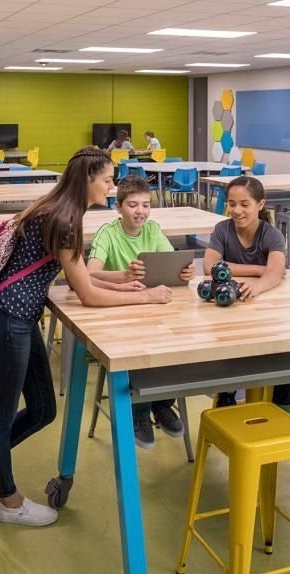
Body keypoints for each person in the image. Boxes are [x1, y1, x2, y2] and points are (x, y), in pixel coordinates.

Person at [0, 147, 173, 527]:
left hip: (18, 317)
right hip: (7, 320)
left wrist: (121, 282)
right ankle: (8, 501)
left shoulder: (56, 206)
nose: (112, 185)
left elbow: (77, 271)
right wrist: (147, 296)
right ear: (89, 179)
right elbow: (85, 293)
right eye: (107, 179)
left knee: (42, 410)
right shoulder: (66, 220)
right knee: (1, 417)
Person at [87, 174, 193, 448]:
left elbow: (169, 263)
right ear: (118, 207)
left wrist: (184, 271)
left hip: (152, 307)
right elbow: (89, 275)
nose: (141, 211)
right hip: (118, 311)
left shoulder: (153, 230)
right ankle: (141, 411)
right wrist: (122, 276)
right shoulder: (107, 233)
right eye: (133, 205)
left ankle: (161, 402)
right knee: (138, 344)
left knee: (178, 338)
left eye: (146, 205)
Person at [203, 175, 290, 410]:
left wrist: (257, 285)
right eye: (232, 204)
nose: (237, 210)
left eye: (245, 204)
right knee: (228, 343)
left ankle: (281, 403)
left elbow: (276, 273)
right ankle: (226, 394)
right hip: (230, 311)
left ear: (260, 205)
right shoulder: (222, 229)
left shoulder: (271, 234)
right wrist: (257, 269)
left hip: (267, 311)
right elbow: (210, 266)